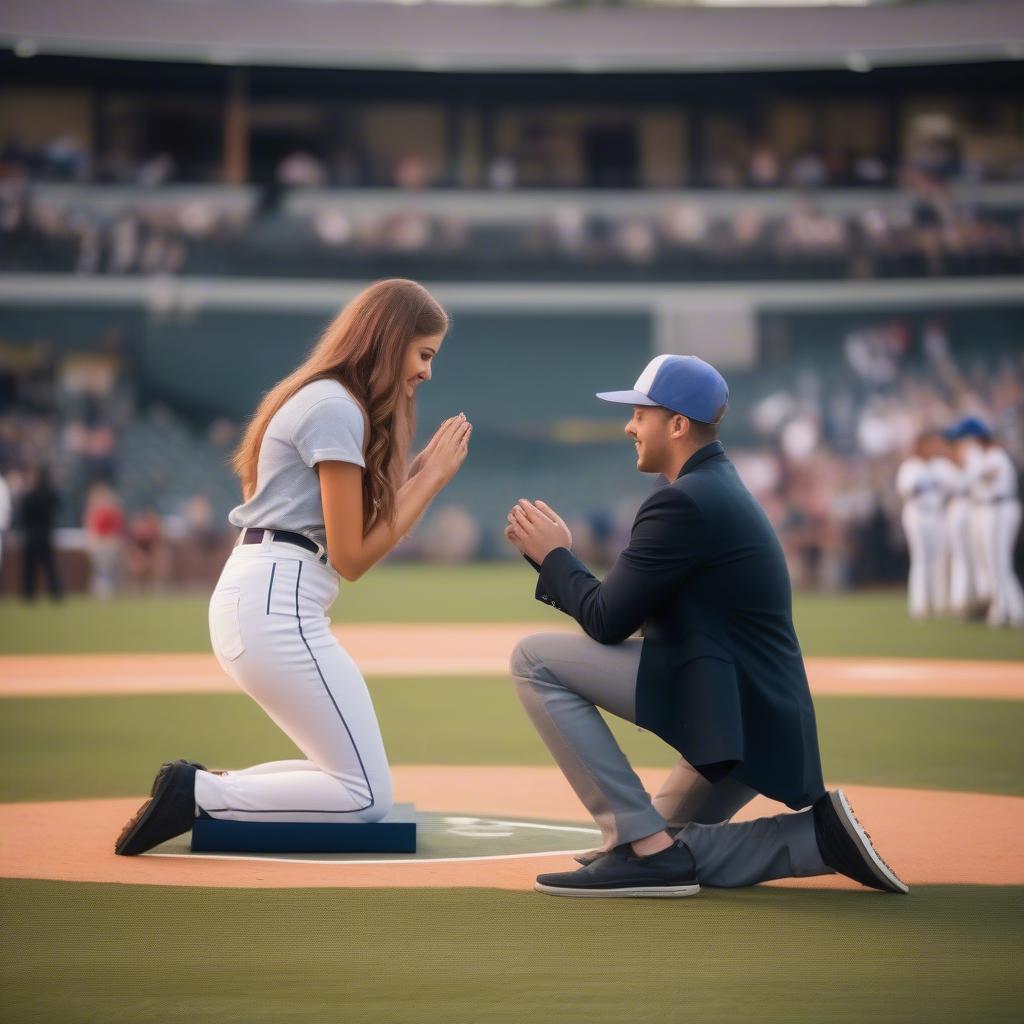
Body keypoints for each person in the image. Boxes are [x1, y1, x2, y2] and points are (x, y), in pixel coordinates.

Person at [505, 354, 906, 898]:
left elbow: (606, 620)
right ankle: (814, 840)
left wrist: (554, 558)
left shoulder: (684, 502)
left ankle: (646, 849)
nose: (629, 426)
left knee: (533, 661)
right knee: (666, 846)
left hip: (733, 715)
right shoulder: (716, 487)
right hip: (753, 719)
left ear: (676, 424)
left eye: (640, 414)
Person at [115, 279, 472, 855]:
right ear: (390, 340)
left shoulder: (327, 397)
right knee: (363, 796)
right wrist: (429, 480)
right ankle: (199, 791)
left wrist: (416, 478)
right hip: (275, 601)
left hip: (265, 592)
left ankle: (198, 786)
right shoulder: (336, 406)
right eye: (424, 353)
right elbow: (352, 557)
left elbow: (344, 538)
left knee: (343, 773)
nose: (428, 372)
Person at [948, 417, 1024, 628]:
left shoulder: (995, 456)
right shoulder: (983, 457)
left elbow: (971, 480)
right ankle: (1007, 608)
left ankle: (1011, 609)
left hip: (1000, 507)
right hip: (988, 508)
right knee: (994, 563)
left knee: (999, 562)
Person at [895, 432, 948, 619]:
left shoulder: (941, 465)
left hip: (937, 514)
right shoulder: (910, 466)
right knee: (920, 559)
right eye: (929, 444)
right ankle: (919, 606)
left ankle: (940, 604)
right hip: (917, 513)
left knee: (938, 560)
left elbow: (955, 487)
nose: (933, 448)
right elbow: (905, 491)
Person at [19, 465, 62, 602]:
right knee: (50, 567)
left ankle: (28, 594)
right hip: (46, 534)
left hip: (32, 535)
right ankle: (55, 594)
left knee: (30, 567)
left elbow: (24, 514)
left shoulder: (30, 495)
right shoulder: (50, 494)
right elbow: (58, 504)